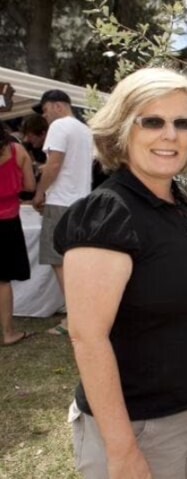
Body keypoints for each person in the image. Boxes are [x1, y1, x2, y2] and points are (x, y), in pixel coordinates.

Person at [53, 68, 187, 479]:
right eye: (153, 121)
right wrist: (122, 449)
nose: (171, 134)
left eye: (183, 122)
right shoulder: (108, 212)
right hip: (139, 427)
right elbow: (87, 337)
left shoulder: (176, 201)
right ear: (122, 128)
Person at [32, 89, 93, 335]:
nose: (45, 117)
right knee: (78, 261)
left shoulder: (59, 126)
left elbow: (55, 164)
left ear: (57, 106)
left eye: (45, 111)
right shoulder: (84, 129)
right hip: (82, 201)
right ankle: (84, 314)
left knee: (58, 261)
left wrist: (39, 192)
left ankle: (73, 319)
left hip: (61, 201)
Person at [0, 126, 36, 345]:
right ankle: (8, 332)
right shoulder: (17, 150)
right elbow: (30, 186)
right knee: (3, 280)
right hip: (8, 220)